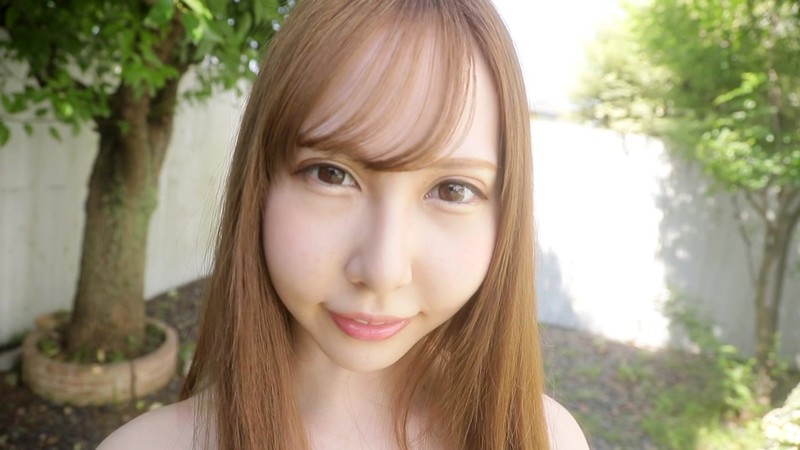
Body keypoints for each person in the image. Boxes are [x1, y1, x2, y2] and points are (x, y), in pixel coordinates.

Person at [99, 0, 590, 448]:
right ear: (260, 185)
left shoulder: (546, 438)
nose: (383, 270)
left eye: (453, 190)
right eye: (331, 175)